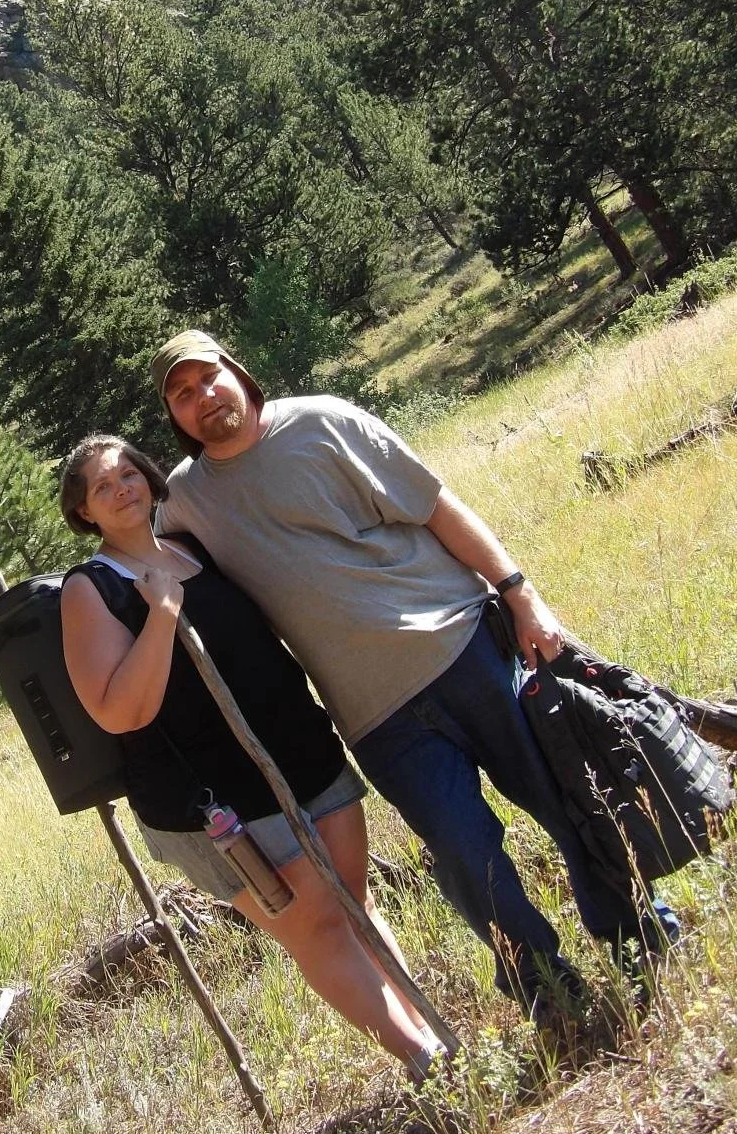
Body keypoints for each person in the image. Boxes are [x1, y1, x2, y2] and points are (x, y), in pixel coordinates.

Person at [150, 330, 674, 1018]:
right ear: (175, 419)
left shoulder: (322, 421)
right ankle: (548, 991)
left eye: (207, 378)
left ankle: (638, 941)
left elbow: (436, 505)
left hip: (465, 648)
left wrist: (519, 592)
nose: (202, 398)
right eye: (181, 395)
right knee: (463, 856)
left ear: (237, 374)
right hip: (376, 718)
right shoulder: (187, 502)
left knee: (566, 803)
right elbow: (137, 555)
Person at [58, 431, 447, 1079]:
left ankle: (430, 1028)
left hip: (300, 754)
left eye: (129, 471)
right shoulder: (90, 589)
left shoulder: (189, 547)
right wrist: (159, 615)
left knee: (354, 900)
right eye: (103, 485)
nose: (123, 486)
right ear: (83, 513)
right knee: (316, 926)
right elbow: (120, 712)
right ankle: (423, 1057)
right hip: (212, 803)